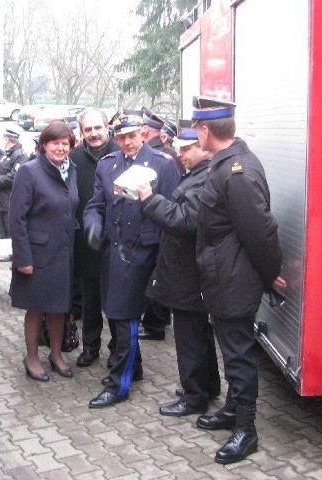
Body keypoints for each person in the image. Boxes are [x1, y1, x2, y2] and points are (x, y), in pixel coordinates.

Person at [191, 96, 285, 465]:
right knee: (232, 351)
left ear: (204, 129)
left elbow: (260, 231)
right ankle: (232, 410)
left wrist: (269, 273)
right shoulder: (225, 164)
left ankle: (247, 431)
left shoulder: (238, 171)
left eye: (196, 128)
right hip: (223, 276)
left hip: (234, 279)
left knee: (240, 356)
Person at [83, 109, 180, 408]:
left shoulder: (163, 165)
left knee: (124, 315)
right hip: (114, 251)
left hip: (144, 251)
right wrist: (93, 224)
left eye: (132, 135)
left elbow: (172, 213)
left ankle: (118, 385)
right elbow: (95, 204)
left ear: (143, 133)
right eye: (121, 136)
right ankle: (133, 368)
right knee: (115, 311)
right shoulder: (107, 165)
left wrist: (165, 261)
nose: (126, 142)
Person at [136, 119, 221, 417]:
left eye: (187, 148)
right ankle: (208, 386)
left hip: (190, 272)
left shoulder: (205, 178)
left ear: (204, 149)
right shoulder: (197, 173)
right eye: (181, 148)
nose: (180, 154)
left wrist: (149, 200)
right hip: (190, 269)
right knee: (199, 331)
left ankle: (194, 396)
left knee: (189, 336)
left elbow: (185, 221)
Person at [8, 122, 79, 382]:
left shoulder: (71, 171)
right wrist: (23, 258)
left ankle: (57, 355)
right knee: (37, 308)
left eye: (65, 143)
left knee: (59, 307)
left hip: (63, 253)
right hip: (37, 255)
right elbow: (17, 219)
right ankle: (32, 357)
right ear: (44, 145)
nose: (60, 148)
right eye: (54, 143)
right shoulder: (29, 171)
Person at [70, 108, 120, 368]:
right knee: (90, 300)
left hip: (116, 243)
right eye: (87, 129)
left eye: (97, 128)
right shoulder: (74, 158)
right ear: (82, 132)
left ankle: (117, 349)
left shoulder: (121, 153)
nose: (93, 134)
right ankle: (90, 347)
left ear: (107, 127)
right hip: (86, 242)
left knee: (114, 301)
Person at [137, 107, 178, 342]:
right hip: (162, 224)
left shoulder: (163, 157)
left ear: (145, 130)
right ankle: (158, 321)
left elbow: (168, 197)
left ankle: (156, 324)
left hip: (159, 225)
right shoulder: (166, 152)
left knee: (156, 279)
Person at [0, 129, 28, 239]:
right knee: (2, 233)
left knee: (10, 233)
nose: (4, 141)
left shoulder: (19, 155)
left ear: (9, 140)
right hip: (0, 202)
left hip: (9, 201)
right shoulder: (7, 153)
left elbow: (14, 177)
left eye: (5, 139)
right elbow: (1, 170)